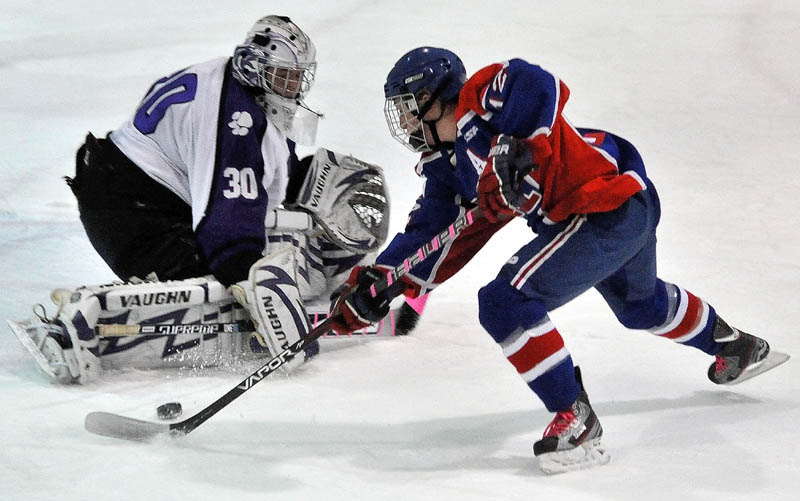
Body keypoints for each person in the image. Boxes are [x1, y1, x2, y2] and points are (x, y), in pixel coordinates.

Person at [328, 46, 788, 473]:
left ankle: (575, 419)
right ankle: (737, 347)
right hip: (620, 208)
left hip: (605, 204)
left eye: (410, 106)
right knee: (639, 308)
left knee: (505, 302)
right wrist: (379, 283)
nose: (406, 122)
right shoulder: (450, 171)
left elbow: (535, 82)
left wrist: (519, 144)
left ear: (434, 97)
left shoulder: (476, 101)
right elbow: (433, 236)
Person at [9, 16, 398, 384]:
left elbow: (263, 181)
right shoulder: (235, 116)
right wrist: (246, 277)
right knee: (216, 284)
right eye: (283, 77)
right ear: (255, 66)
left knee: (246, 263)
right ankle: (78, 327)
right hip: (128, 209)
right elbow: (226, 223)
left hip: (130, 189)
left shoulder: (238, 90)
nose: (293, 88)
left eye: (297, 78)